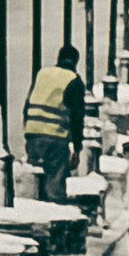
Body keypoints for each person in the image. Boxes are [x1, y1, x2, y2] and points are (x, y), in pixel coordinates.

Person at [22, 41, 87, 198]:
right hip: (55, 137)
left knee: (35, 182)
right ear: (76, 61)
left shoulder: (42, 74)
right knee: (55, 184)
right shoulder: (74, 80)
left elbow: (27, 106)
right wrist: (77, 148)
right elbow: (77, 117)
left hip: (33, 134)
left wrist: (28, 132)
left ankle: (35, 212)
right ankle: (55, 212)